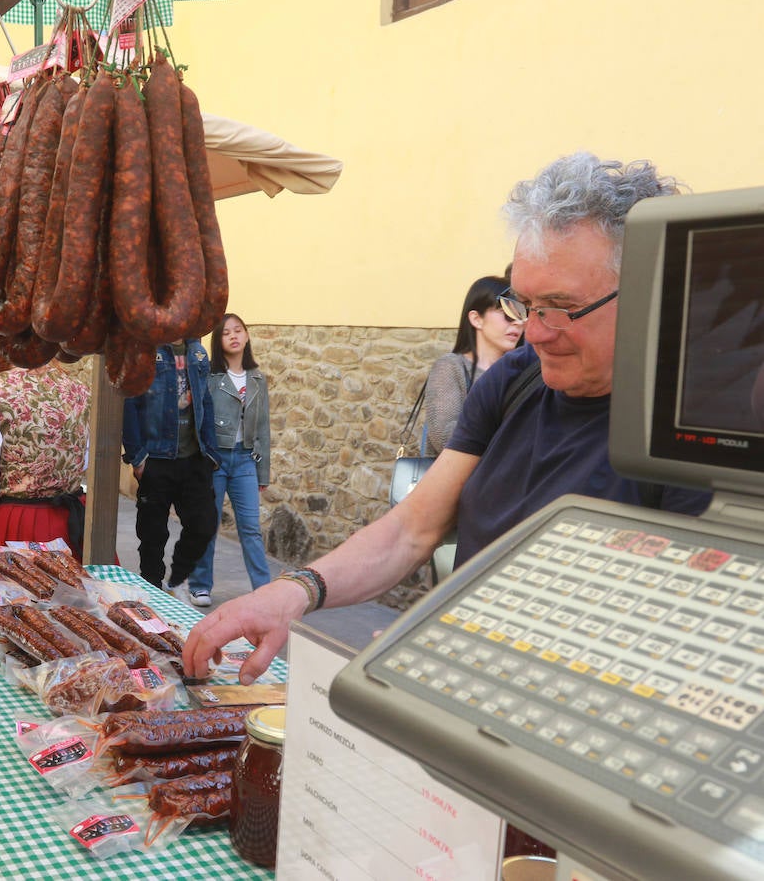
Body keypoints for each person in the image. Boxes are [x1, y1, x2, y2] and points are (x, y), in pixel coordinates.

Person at [184, 152, 714, 685]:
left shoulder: (695, 427)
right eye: (523, 303)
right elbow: (413, 530)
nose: (532, 331)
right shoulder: (516, 382)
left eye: (560, 306)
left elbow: (682, 635)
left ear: (650, 288)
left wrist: (462, 646)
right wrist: (292, 592)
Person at [0, 357, 90, 553]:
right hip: (72, 520)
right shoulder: (79, 389)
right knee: (74, 582)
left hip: (19, 524)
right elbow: (83, 461)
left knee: (16, 582)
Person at [122, 339, 222, 599]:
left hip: (194, 459)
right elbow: (130, 402)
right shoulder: (145, 350)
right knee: (152, 535)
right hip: (156, 459)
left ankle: (177, 578)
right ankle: (151, 592)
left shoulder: (198, 353)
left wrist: (211, 451)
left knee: (204, 524)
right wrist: (138, 457)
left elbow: (205, 401)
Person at [186, 314, 273, 604]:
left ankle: (263, 588)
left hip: (246, 460)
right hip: (215, 460)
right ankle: (200, 585)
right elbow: (198, 419)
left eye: (239, 331)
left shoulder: (258, 379)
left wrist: (263, 474)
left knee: (250, 527)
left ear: (247, 336)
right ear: (218, 341)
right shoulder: (211, 378)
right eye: (226, 333)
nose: (234, 336)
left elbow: (263, 428)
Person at [422, 275, 525, 455]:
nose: (518, 322)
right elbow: (445, 438)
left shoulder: (523, 371)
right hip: (462, 481)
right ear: (476, 319)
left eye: (522, 314)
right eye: (507, 314)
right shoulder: (451, 367)